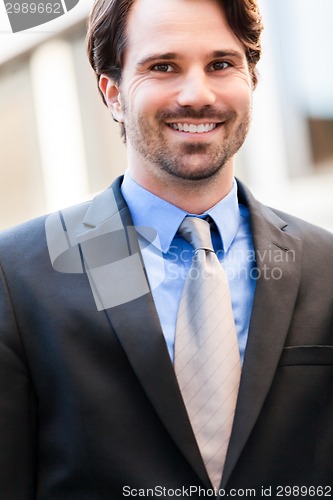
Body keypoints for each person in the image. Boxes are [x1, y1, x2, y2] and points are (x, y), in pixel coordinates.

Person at [0, 0, 333, 498]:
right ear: (112, 94)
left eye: (221, 64)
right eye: (163, 66)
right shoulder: (17, 274)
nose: (197, 94)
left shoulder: (326, 266)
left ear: (252, 81)